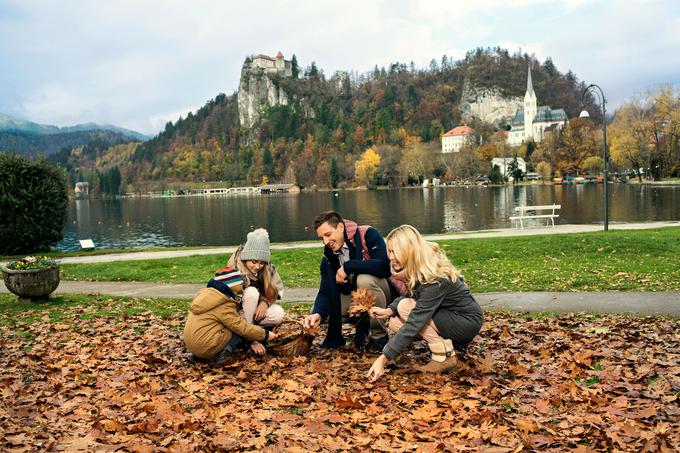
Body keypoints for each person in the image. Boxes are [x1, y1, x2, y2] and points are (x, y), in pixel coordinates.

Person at [366, 225, 483, 382]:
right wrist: (389, 310)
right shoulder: (418, 268)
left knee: (405, 308)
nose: (391, 257)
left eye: (395, 252)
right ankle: (450, 349)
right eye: (390, 251)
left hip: (465, 321)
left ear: (409, 250)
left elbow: (415, 319)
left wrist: (383, 358)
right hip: (449, 316)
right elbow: (414, 296)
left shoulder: (434, 280)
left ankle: (443, 356)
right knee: (394, 322)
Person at [303, 210, 399, 350]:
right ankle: (364, 322)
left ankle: (379, 337)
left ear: (340, 227)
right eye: (321, 238)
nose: (325, 242)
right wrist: (317, 313)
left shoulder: (367, 234)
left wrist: (348, 267)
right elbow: (325, 292)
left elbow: (384, 266)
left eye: (328, 235)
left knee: (364, 279)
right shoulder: (328, 258)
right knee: (320, 311)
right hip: (356, 299)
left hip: (386, 295)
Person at [183, 268, 278, 366]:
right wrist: (265, 334)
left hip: (194, 346)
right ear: (233, 286)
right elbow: (241, 326)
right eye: (241, 285)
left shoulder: (209, 296)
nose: (243, 288)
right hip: (206, 347)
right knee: (237, 329)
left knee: (231, 325)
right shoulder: (223, 303)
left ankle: (200, 355)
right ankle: (223, 355)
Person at [227, 228, 285, 355]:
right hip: (236, 316)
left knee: (278, 313)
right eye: (254, 262)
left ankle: (252, 332)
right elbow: (231, 306)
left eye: (262, 263)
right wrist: (253, 338)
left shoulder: (267, 268)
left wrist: (265, 303)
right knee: (252, 291)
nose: (257, 266)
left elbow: (278, 289)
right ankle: (249, 337)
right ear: (246, 257)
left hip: (253, 314)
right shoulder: (234, 270)